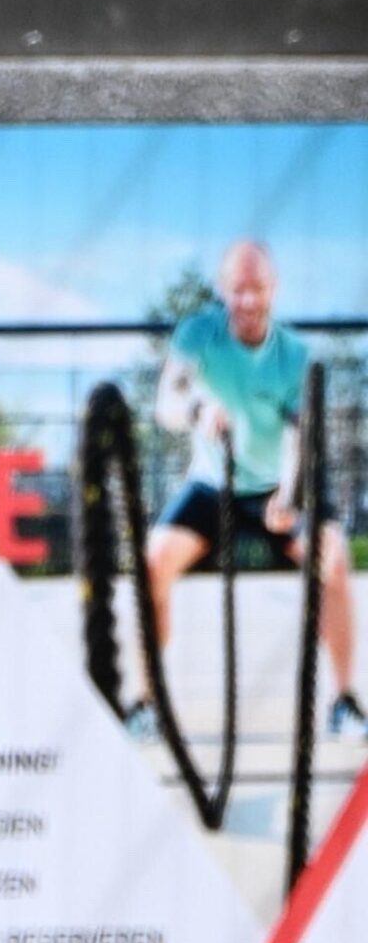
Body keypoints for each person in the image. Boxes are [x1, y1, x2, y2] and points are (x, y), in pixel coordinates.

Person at [147, 239, 365, 739]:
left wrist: (288, 496)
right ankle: (146, 704)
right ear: (223, 289)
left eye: (258, 289)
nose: (247, 300)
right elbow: (166, 404)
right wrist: (198, 410)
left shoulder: (295, 356)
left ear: (274, 289)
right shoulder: (197, 334)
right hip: (211, 483)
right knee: (152, 564)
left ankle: (344, 701)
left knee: (332, 561)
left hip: (276, 487)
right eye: (238, 289)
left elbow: (298, 437)